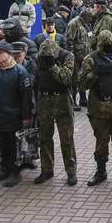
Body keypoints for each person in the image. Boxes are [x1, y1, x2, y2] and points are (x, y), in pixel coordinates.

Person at [80, 30, 112, 188]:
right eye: (105, 46)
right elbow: (82, 84)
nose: (109, 48)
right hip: (99, 108)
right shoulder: (90, 59)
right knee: (101, 141)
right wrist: (95, 75)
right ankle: (101, 172)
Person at [0, 40, 33, 187]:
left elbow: (26, 97)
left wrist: (26, 117)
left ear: (9, 54)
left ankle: (15, 172)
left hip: (15, 115)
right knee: (2, 144)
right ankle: (6, 168)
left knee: (14, 146)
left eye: (1, 53)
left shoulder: (20, 72)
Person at [33, 38, 77, 186]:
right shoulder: (40, 57)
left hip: (62, 100)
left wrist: (52, 66)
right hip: (44, 99)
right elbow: (36, 80)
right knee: (44, 137)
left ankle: (71, 171)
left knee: (66, 138)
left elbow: (65, 79)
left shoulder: (67, 56)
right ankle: (46, 169)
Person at [66, 8, 94, 108]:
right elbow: (69, 40)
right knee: (74, 80)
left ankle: (83, 99)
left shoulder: (87, 24)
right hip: (76, 57)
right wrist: (71, 56)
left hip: (85, 57)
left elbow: (89, 37)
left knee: (83, 78)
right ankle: (73, 101)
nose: (90, 20)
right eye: (89, 18)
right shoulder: (74, 23)